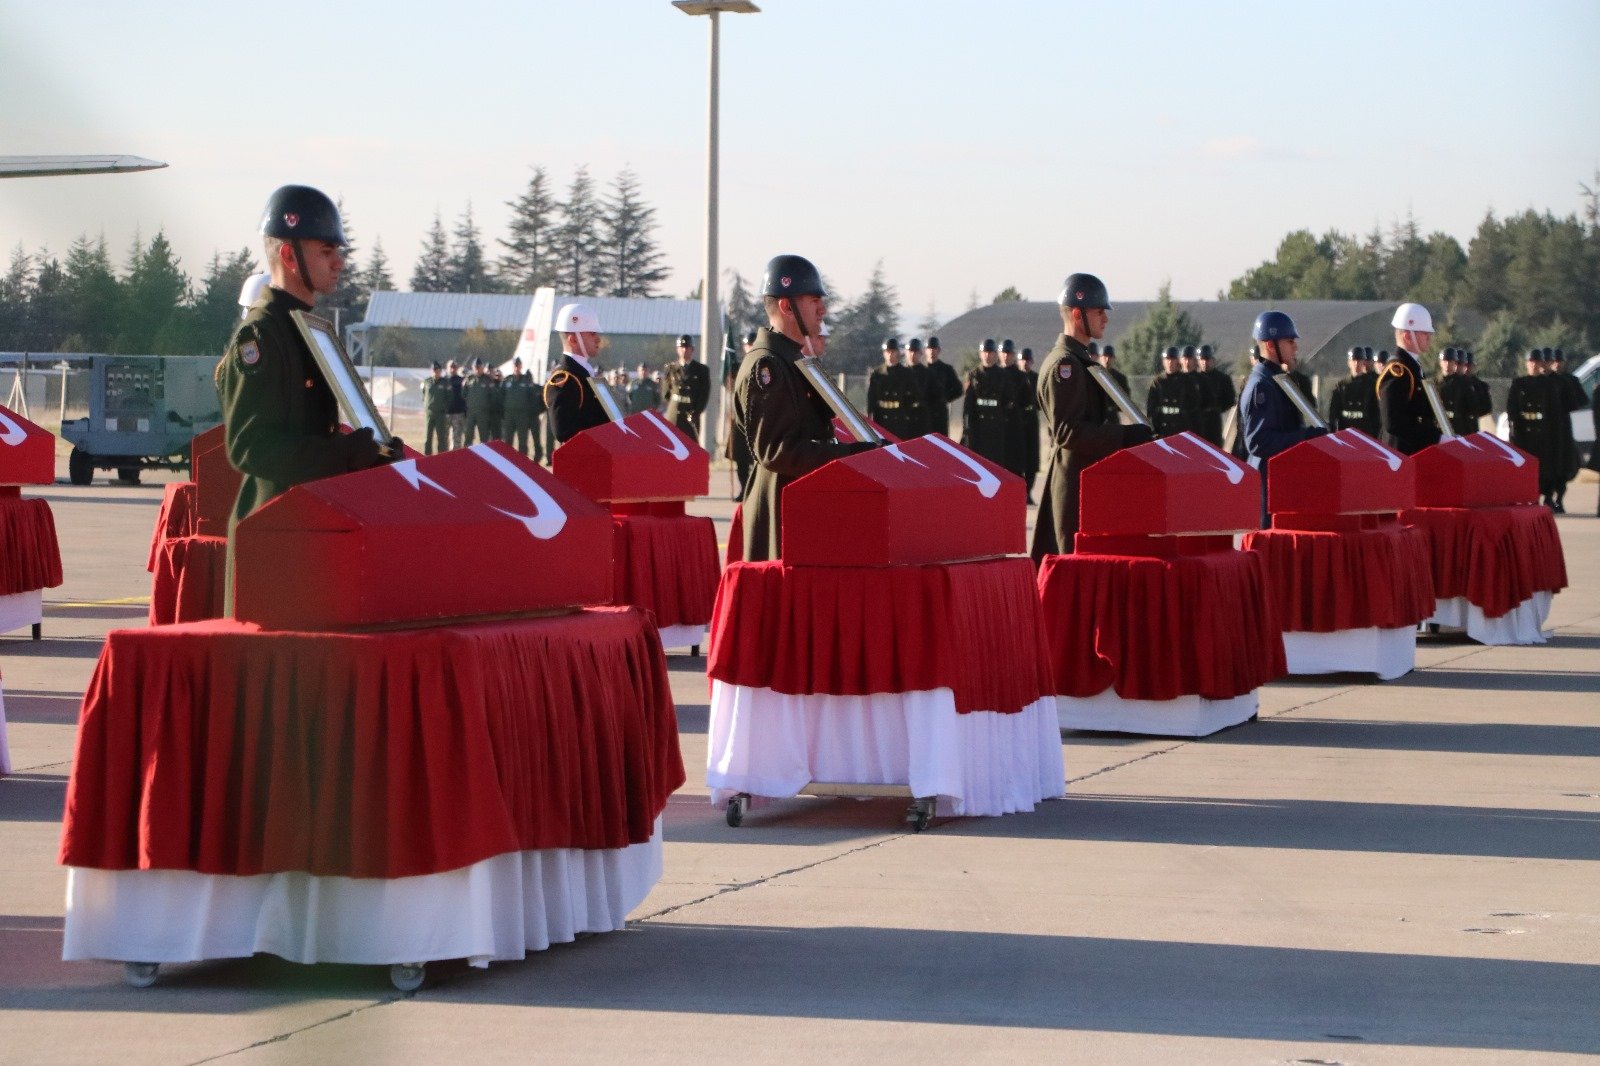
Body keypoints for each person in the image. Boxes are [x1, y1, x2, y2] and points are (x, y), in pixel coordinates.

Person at [216, 184, 389, 614]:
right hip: (272, 539)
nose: (340, 262)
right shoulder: (262, 335)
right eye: (327, 250)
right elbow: (250, 448)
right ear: (289, 256)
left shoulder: (304, 327)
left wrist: (373, 455)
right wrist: (344, 455)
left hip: (304, 533)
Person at [730, 254, 876, 561]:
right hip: (780, 512)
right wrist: (853, 456)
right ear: (786, 306)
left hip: (802, 507)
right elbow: (776, 451)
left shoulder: (794, 361)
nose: (822, 309)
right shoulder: (767, 366)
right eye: (813, 300)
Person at [1032, 273, 1152, 560]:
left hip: (1088, 481)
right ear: (1077, 314)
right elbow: (1067, 432)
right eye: (1099, 312)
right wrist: (1124, 436)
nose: (1105, 319)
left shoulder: (1081, 361)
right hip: (1074, 485)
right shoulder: (1066, 366)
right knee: (1073, 567)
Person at [1237, 310, 1327, 525]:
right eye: (1289, 341)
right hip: (1268, 486)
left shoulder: (1276, 378)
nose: (1295, 347)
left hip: (1280, 482)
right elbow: (1258, 442)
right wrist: (1306, 437)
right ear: (1270, 345)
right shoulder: (1262, 384)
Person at [1379, 302, 1443, 455]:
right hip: (1401, 454)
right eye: (1424, 333)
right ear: (1408, 336)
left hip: (1415, 453)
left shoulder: (1413, 367)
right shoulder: (1399, 371)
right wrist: (1436, 438)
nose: (1429, 337)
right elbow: (1393, 423)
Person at [545, 302, 612, 445]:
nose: (598, 339)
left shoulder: (584, 373)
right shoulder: (565, 379)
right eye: (592, 334)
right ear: (573, 339)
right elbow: (563, 431)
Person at [962, 339, 1010, 466]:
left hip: (996, 429)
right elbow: (968, 407)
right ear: (980, 354)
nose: (987, 355)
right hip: (978, 428)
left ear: (995, 354)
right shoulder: (973, 375)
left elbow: (1008, 404)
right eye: (984, 352)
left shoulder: (1003, 376)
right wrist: (967, 430)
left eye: (990, 352)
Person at [724, 329, 757, 499]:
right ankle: (744, 489)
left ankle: (755, 491)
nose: (749, 347)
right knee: (741, 459)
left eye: (752, 344)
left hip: (757, 420)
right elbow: (728, 385)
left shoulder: (762, 365)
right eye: (747, 345)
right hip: (739, 419)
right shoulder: (736, 367)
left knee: (757, 460)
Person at [868, 337, 919, 439]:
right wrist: (871, 418)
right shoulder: (877, 374)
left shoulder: (906, 373)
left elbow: (914, 397)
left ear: (898, 353)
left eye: (893, 351)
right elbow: (871, 399)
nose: (890, 354)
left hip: (900, 420)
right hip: (881, 419)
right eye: (888, 351)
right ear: (884, 353)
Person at [663, 334, 710, 439]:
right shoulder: (670, 369)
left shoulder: (701, 370)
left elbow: (704, 395)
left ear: (692, 349)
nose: (684, 350)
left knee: (690, 446)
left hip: (690, 413)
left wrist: (696, 411)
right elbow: (666, 393)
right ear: (677, 349)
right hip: (674, 413)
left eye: (687, 347)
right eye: (681, 348)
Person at [1329, 346, 1381, 436]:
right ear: (1349, 363)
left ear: (1363, 362)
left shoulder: (1371, 385)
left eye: (1359, 360)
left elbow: (1376, 413)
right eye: (1353, 360)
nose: (1356, 364)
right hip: (1346, 433)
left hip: (1366, 434)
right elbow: (1334, 411)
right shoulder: (1341, 385)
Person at [1148, 346, 1198, 438]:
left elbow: (1194, 406)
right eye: (1167, 359)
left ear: (1178, 361)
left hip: (1182, 429)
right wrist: (1154, 428)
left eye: (1173, 359)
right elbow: (1151, 407)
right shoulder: (1158, 381)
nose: (1170, 362)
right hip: (1162, 428)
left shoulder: (1186, 381)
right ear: (1163, 361)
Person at [998, 339, 1031, 479]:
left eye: (1009, 353)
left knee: (1014, 464)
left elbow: (1027, 400)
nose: (1006, 356)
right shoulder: (994, 374)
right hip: (997, 425)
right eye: (1003, 353)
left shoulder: (1021, 377)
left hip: (1014, 425)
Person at [922, 335, 962, 436]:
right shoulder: (920, 370)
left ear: (939, 350)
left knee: (940, 441)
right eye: (929, 348)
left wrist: (945, 398)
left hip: (940, 413)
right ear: (925, 350)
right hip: (923, 413)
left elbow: (958, 389)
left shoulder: (946, 369)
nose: (932, 351)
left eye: (934, 348)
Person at [1195, 344, 1234, 447]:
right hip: (1197, 420)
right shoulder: (1193, 378)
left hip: (1214, 420)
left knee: (1215, 448)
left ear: (1213, 360)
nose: (1204, 362)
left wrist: (1216, 408)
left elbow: (1230, 400)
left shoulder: (1223, 379)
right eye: (1202, 359)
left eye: (1207, 359)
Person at [501, 356, 540, 457]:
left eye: (518, 366)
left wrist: (531, 413)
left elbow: (533, 399)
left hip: (522, 416)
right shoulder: (506, 380)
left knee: (522, 441)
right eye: (515, 366)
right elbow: (500, 396)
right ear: (512, 366)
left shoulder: (526, 381)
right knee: (508, 440)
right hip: (509, 415)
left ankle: (522, 462)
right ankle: (507, 462)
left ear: (521, 366)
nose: (516, 368)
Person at [1018, 347, 1041, 504]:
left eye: (1028, 360)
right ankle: (1020, 492)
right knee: (1019, 456)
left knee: (1032, 457)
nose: (1025, 363)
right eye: (1023, 360)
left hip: (1032, 418)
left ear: (1032, 361)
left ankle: (1028, 491)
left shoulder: (1036, 378)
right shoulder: (1015, 377)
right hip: (1018, 420)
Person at [461, 360, 495, 446]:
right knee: (468, 436)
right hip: (471, 412)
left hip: (483, 413)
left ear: (482, 368)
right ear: (472, 368)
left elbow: (493, 396)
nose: (477, 370)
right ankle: (467, 457)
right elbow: (463, 394)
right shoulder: (469, 379)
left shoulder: (488, 380)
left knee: (484, 437)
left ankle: (484, 457)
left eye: (479, 367)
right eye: (475, 368)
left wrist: (486, 406)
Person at [903, 338, 931, 436]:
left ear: (921, 353)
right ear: (906, 352)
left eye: (915, 352)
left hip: (921, 419)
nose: (912, 355)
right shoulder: (899, 373)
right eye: (910, 351)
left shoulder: (927, 373)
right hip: (903, 418)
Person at [422, 361, 451, 454]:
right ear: (431, 371)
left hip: (441, 414)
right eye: (434, 370)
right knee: (427, 438)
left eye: (437, 370)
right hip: (429, 414)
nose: (435, 372)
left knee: (441, 438)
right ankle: (426, 458)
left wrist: (445, 408)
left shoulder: (445, 383)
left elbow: (450, 397)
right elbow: (423, 395)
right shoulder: (426, 382)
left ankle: (441, 458)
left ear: (440, 371)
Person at [1097, 343, 1131, 425]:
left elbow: (1126, 399)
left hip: (1113, 416)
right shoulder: (1094, 375)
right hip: (1098, 416)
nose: (1107, 359)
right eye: (1104, 356)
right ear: (1100, 358)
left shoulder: (1120, 378)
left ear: (1114, 358)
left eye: (1110, 357)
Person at [445, 358, 467, 448]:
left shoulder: (461, 380)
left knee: (457, 439)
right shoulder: (443, 381)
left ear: (457, 368)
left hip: (458, 413)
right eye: (451, 367)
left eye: (454, 367)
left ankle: (454, 460)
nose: (452, 369)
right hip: (446, 413)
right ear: (447, 368)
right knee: (444, 439)